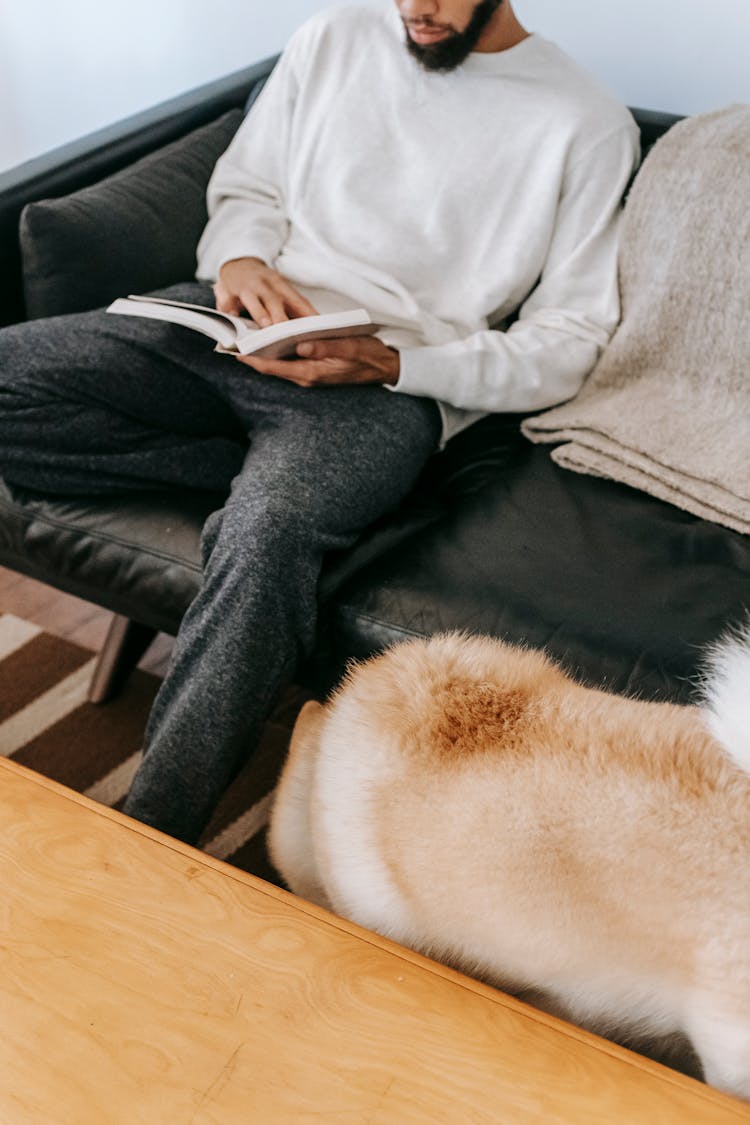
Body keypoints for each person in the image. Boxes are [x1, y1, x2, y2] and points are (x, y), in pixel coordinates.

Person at [0, 0, 640, 844]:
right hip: (229, 329)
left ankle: (152, 835)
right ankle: (320, 493)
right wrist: (240, 260)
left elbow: (568, 343)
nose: (415, 6)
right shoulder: (332, 37)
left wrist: (395, 364)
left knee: (267, 533)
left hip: (384, 386)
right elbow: (249, 186)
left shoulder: (584, 123)